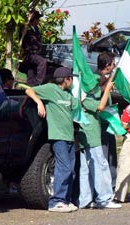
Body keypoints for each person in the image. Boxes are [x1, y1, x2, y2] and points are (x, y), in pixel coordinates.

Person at [24, 67, 78, 213]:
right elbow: (29, 90)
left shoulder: (68, 94)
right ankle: (56, 201)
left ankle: (66, 200)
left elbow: (76, 106)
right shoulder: (50, 88)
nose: (73, 81)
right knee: (64, 167)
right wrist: (39, 102)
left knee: (71, 170)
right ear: (66, 79)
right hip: (58, 136)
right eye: (71, 78)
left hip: (69, 136)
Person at [77, 72, 121, 209]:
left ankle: (85, 199)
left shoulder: (85, 96)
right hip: (92, 137)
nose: (97, 86)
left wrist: (110, 79)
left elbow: (100, 89)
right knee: (100, 166)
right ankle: (104, 198)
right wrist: (107, 90)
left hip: (86, 137)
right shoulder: (86, 99)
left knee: (85, 169)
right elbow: (100, 106)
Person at [96, 52, 118, 189]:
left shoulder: (106, 77)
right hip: (99, 123)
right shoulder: (95, 77)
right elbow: (98, 91)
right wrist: (111, 80)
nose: (114, 66)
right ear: (107, 66)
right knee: (103, 156)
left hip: (109, 122)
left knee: (111, 155)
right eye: (113, 64)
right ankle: (103, 187)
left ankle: (113, 185)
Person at [22, 10, 47, 86]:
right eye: (38, 19)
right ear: (34, 19)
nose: (39, 21)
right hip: (30, 53)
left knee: (31, 71)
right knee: (42, 62)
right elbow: (23, 40)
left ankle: (31, 86)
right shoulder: (26, 28)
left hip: (36, 53)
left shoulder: (37, 29)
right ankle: (38, 82)